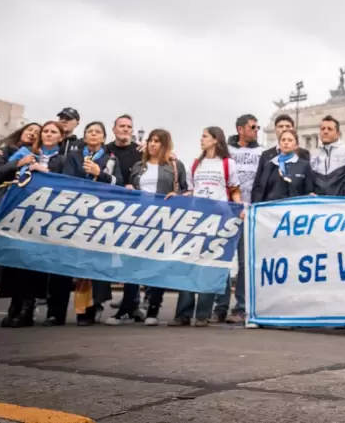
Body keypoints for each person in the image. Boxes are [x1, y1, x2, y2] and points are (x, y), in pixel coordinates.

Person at [107, 129, 187, 327]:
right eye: (151, 140)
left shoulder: (176, 166)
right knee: (131, 264)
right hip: (138, 219)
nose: (152, 144)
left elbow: (185, 190)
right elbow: (129, 185)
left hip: (162, 220)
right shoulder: (138, 166)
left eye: (157, 141)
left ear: (165, 144)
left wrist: (177, 196)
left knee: (157, 265)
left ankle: (153, 308)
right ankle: (127, 308)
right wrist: (130, 189)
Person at [0, 121, 66, 327]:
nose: (49, 135)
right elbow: (7, 178)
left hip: (46, 216)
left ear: (61, 137)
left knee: (35, 262)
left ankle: (28, 307)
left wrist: (44, 170)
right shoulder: (26, 153)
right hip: (20, 212)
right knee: (16, 258)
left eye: (54, 132)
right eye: (46, 131)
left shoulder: (63, 159)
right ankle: (14, 304)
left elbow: (67, 181)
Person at [175, 126, 242, 327]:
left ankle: (202, 313)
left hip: (219, 219)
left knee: (209, 265)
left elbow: (234, 189)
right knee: (188, 264)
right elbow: (191, 189)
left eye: (204, 136)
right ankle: (183, 313)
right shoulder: (196, 164)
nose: (201, 140)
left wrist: (239, 208)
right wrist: (183, 196)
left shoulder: (227, 163)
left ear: (215, 140)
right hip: (197, 218)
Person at [59, 121, 122, 325]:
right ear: (84, 137)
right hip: (77, 213)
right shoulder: (74, 156)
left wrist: (99, 173)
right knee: (79, 262)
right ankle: (80, 308)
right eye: (89, 132)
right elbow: (67, 180)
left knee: (97, 262)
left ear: (103, 138)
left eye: (97, 132)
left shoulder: (111, 159)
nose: (93, 135)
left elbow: (118, 183)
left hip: (101, 215)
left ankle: (96, 305)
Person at [218, 114, 262, 324]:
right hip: (226, 211)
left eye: (258, 127)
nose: (256, 130)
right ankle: (220, 305)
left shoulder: (262, 152)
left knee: (244, 262)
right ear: (240, 129)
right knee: (222, 259)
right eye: (253, 127)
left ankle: (241, 307)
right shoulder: (227, 152)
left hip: (249, 212)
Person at [250, 114, 309, 204]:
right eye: (281, 126)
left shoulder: (303, 155)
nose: (284, 129)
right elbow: (259, 185)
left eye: (288, 126)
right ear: (275, 129)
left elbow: (307, 187)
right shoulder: (266, 156)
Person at [254, 130, 315, 202]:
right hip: (271, 209)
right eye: (283, 140)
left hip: (295, 209)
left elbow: (308, 191)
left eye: (290, 140)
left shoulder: (304, 165)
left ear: (296, 145)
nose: (286, 142)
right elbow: (262, 191)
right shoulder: (270, 164)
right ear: (279, 144)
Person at [312, 115, 345, 196]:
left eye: (329, 129)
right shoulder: (313, 154)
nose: (325, 131)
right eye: (322, 129)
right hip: (318, 204)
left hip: (341, 203)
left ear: (338, 133)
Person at [106, 114, 142, 185]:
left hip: (131, 195)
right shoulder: (105, 150)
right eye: (122, 126)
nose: (126, 129)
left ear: (132, 131)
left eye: (129, 127)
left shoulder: (140, 151)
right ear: (114, 130)